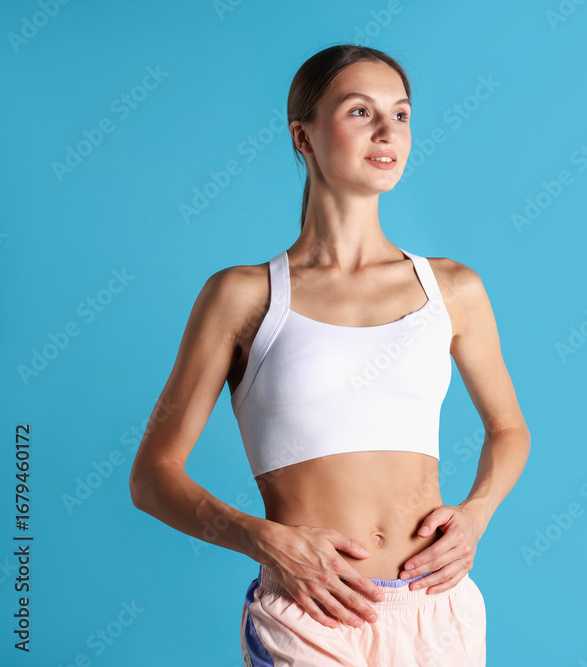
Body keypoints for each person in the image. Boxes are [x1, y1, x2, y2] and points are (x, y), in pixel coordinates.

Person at [129, 44, 530, 666]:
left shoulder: (452, 288)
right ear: (304, 136)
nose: (387, 131)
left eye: (401, 114)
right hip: (312, 614)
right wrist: (264, 540)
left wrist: (476, 516)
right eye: (360, 111)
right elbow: (153, 476)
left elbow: (508, 429)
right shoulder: (243, 296)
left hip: (437, 609)